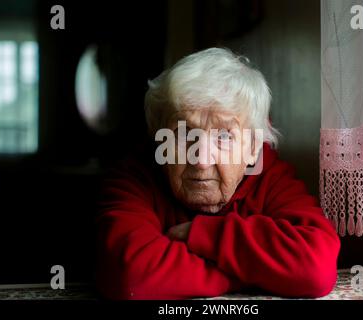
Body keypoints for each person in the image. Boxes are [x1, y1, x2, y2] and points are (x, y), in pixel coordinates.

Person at [96, 48, 340, 300]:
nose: (201, 160)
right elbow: (132, 277)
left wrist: (201, 234)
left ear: (253, 147)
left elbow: (314, 268)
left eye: (223, 136)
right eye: (183, 133)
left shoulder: (270, 176)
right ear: (160, 139)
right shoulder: (134, 176)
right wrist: (262, 270)